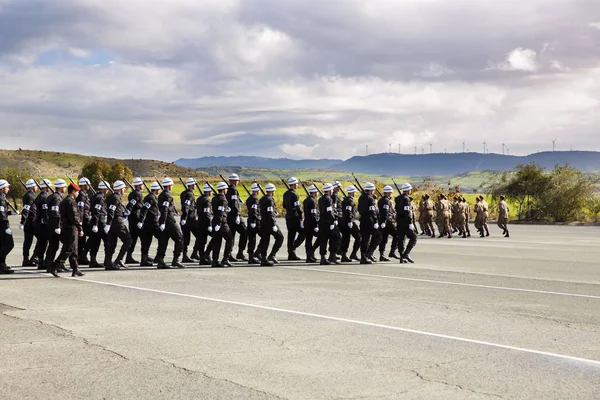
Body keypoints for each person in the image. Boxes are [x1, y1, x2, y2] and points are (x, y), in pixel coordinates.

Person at [49, 182, 85, 277]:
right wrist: (80, 228)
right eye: (77, 192)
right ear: (73, 191)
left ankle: (75, 269)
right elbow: (74, 217)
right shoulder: (71, 202)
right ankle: (54, 266)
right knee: (68, 249)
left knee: (74, 250)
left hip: (66, 227)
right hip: (71, 228)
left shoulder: (64, 201)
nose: (78, 194)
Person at [155, 177, 184, 269]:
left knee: (163, 242)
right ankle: (176, 260)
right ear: (168, 185)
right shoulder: (167, 196)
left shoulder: (161, 195)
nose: (172, 186)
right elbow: (165, 209)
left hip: (163, 220)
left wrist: (162, 221)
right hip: (169, 221)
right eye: (171, 185)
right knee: (179, 239)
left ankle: (160, 261)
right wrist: (164, 221)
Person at [104, 180, 132, 270]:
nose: (124, 190)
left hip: (113, 223)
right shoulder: (116, 197)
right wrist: (108, 223)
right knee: (128, 240)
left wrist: (123, 214)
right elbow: (112, 210)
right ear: (120, 189)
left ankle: (108, 263)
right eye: (123, 188)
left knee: (112, 244)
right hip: (117, 223)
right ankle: (119, 259)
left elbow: (114, 210)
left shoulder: (111, 197)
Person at [258, 183, 284, 266]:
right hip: (270, 223)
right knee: (280, 237)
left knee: (265, 241)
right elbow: (269, 212)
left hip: (263, 222)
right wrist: (273, 224)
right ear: (272, 191)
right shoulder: (270, 199)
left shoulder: (262, 199)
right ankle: (272, 255)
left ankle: (263, 258)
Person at [45, 179, 68, 271]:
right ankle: (51, 264)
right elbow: (56, 213)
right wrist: (57, 226)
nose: (65, 189)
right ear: (61, 187)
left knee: (52, 245)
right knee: (54, 245)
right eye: (64, 187)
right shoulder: (57, 198)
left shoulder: (51, 197)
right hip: (55, 225)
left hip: (50, 224)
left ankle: (49, 263)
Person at [138, 182, 161, 267]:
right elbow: (144, 209)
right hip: (152, 223)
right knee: (162, 238)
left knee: (146, 242)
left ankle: (144, 259)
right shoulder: (151, 198)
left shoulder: (150, 197)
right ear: (156, 189)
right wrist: (140, 220)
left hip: (148, 223)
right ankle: (158, 257)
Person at [226, 173, 247, 261]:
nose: (238, 182)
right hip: (234, 215)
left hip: (229, 215)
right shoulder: (234, 190)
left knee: (232, 235)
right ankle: (240, 252)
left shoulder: (227, 190)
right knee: (245, 232)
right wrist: (237, 215)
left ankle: (229, 254)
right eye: (238, 180)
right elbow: (234, 203)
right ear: (235, 181)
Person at [212, 181, 234, 268]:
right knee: (230, 239)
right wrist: (219, 223)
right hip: (221, 222)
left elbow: (216, 209)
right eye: (226, 189)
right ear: (223, 189)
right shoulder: (223, 199)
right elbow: (220, 212)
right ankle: (226, 259)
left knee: (217, 241)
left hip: (215, 221)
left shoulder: (215, 198)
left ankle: (215, 260)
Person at [358, 182, 381, 264]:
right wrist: (375, 221)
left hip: (362, 220)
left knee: (364, 239)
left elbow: (359, 209)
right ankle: (369, 253)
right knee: (378, 235)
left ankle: (363, 257)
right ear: (371, 190)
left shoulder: (361, 197)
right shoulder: (370, 198)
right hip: (369, 221)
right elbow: (372, 211)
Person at [88, 181, 110, 268]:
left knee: (95, 243)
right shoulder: (100, 198)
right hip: (100, 222)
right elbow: (97, 211)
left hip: (94, 221)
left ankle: (93, 261)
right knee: (108, 242)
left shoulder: (93, 196)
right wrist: (96, 224)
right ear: (105, 189)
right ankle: (107, 261)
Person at [318, 183, 341, 265]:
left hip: (322, 222)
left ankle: (323, 258)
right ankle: (332, 256)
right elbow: (329, 211)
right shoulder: (329, 199)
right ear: (329, 190)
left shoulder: (320, 199)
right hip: (328, 222)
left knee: (323, 240)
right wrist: (332, 221)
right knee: (336, 238)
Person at [283, 177, 305, 261]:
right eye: (296, 183)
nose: (297, 185)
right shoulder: (295, 194)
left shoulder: (286, 193)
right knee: (303, 232)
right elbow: (298, 206)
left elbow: (284, 205)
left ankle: (291, 253)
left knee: (291, 235)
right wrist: (301, 217)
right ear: (294, 184)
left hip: (288, 217)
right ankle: (293, 248)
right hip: (294, 217)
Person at [395, 183, 417, 263]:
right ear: (408, 190)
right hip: (406, 221)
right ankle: (406, 254)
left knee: (401, 239)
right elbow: (407, 212)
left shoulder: (397, 198)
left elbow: (396, 209)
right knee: (413, 237)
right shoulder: (407, 199)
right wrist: (410, 222)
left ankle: (401, 257)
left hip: (399, 221)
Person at [33, 179, 52, 270]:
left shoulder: (38, 196)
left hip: (37, 223)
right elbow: (45, 211)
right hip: (43, 224)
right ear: (46, 187)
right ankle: (42, 262)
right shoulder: (44, 197)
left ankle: (40, 261)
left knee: (41, 243)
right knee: (43, 243)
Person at [125, 177, 145, 264]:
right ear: (139, 185)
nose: (143, 186)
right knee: (144, 238)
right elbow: (131, 204)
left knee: (133, 238)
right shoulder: (137, 194)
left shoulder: (132, 193)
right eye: (142, 184)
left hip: (132, 217)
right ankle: (144, 257)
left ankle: (129, 257)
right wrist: (127, 211)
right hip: (136, 217)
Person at [19, 179, 38, 267]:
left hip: (30, 221)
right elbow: (26, 209)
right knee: (40, 239)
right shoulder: (30, 196)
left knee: (28, 241)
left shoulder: (29, 195)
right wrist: (23, 221)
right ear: (32, 186)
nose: (36, 187)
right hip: (31, 221)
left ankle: (27, 259)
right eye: (35, 185)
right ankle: (32, 258)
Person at [180, 177, 199, 263]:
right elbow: (186, 206)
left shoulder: (183, 193)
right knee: (200, 236)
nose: (196, 186)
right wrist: (185, 216)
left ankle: (185, 255)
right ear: (191, 185)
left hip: (185, 218)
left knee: (186, 238)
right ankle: (194, 253)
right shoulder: (190, 194)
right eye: (195, 184)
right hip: (190, 218)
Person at [340, 185, 361, 262]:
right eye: (354, 192)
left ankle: (343, 255)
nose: (355, 193)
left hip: (343, 221)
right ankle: (353, 254)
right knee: (359, 237)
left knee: (346, 238)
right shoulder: (350, 201)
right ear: (352, 193)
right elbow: (348, 211)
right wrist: (350, 220)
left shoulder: (345, 200)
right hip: (348, 221)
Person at [378, 185, 399, 261]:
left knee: (384, 238)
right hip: (388, 221)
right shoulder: (386, 201)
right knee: (397, 235)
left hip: (382, 221)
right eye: (391, 192)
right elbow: (385, 211)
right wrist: (384, 221)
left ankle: (382, 255)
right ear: (389, 192)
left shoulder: (380, 200)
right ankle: (392, 252)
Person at [196, 184, 214, 266]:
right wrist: (210, 224)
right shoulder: (207, 200)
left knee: (201, 241)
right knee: (216, 237)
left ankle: (202, 258)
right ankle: (207, 253)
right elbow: (207, 213)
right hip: (206, 223)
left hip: (200, 222)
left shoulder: (199, 199)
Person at [76, 177, 92, 265]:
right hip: (84, 219)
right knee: (89, 237)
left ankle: (81, 257)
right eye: (87, 185)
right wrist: (81, 220)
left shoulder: (84, 194)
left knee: (82, 239)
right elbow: (81, 208)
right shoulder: (81, 194)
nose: (89, 186)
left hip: (85, 217)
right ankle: (82, 256)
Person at [0, 179, 15, 274]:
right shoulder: (1, 199)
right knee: (9, 244)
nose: (8, 189)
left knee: (2, 245)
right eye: (7, 187)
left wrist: (10, 212)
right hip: (2, 226)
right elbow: (1, 214)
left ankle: (2, 265)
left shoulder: (2, 197)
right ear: (1, 189)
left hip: (2, 225)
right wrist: (6, 227)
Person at [303, 184, 320, 263]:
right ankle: (310, 253)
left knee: (308, 240)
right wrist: (316, 224)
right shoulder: (313, 201)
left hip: (307, 222)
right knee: (320, 237)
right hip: (312, 223)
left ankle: (309, 256)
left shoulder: (306, 200)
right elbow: (314, 213)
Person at [246, 183, 261, 265]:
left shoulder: (249, 198)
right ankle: (257, 253)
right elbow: (254, 211)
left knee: (251, 240)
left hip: (250, 220)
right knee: (264, 237)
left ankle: (251, 257)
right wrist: (254, 221)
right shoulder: (255, 199)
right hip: (255, 221)